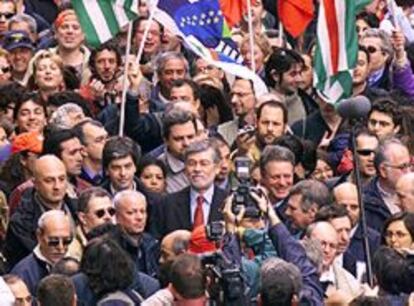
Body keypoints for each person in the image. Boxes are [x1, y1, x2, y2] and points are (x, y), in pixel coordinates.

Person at [4, 155, 77, 268]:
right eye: (49, 181)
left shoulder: (77, 207)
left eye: (62, 179)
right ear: (35, 183)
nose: (57, 186)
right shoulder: (21, 223)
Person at [153, 140, 226, 238]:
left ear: (217, 168)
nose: (197, 169)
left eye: (204, 163)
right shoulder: (166, 205)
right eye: (191, 163)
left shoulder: (229, 202)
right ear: (185, 168)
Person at [11, 210, 73, 296]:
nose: (61, 247)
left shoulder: (76, 266)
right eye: (54, 241)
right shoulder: (22, 274)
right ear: (39, 236)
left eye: (67, 241)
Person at [333, 182, 381, 280]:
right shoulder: (322, 234)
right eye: (343, 206)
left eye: (354, 207)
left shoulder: (373, 240)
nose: (348, 211)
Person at [363, 138, 412, 232]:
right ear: (383, 170)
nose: (408, 172)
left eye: (410, 165)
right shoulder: (365, 202)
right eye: (403, 167)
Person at [305, 221, 361, 298]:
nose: (327, 250)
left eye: (332, 246)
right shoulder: (292, 273)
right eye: (322, 244)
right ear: (306, 241)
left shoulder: (350, 284)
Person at [113, 190, 160, 278]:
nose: (139, 217)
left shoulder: (153, 243)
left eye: (143, 211)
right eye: (131, 212)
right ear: (117, 216)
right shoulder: (110, 247)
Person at [233, 100, 288, 164]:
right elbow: (240, 173)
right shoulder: (242, 153)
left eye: (276, 124)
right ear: (256, 122)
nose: (269, 128)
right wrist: (242, 155)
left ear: (285, 127)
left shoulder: (293, 153)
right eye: (265, 123)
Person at [67, 187, 115, 261]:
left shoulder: (120, 239)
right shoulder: (72, 251)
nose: (108, 217)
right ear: (82, 218)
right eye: (100, 213)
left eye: (111, 211)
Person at [157, 108, 197, 193]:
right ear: (166, 140)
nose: (186, 143)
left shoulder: (211, 162)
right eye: (178, 139)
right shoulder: (158, 169)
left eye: (190, 137)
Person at [74, 119, 108, 186]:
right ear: (83, 150)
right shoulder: (75, 179)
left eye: (106, 138)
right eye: (99, 140)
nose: (106, 143)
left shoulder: (113, 173)